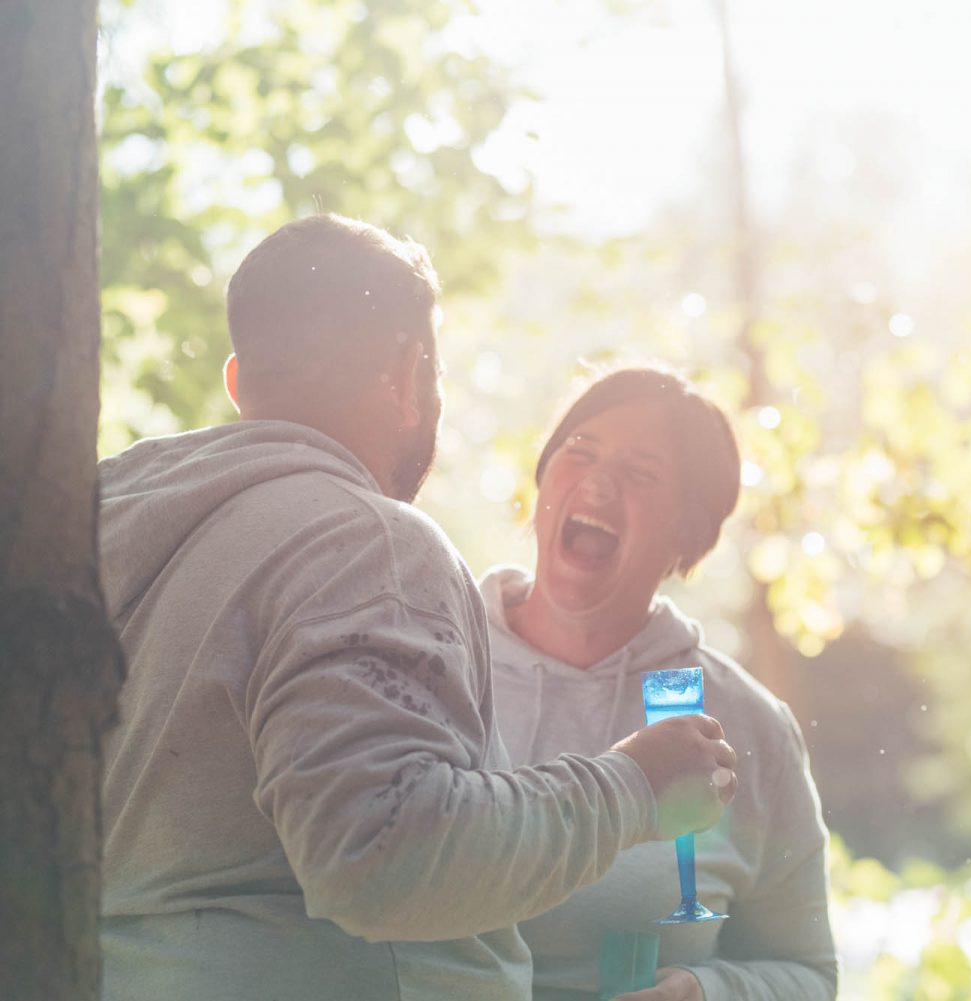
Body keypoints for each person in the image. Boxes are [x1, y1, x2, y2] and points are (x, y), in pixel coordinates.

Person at [97, 215, 737, 1001]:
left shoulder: (101, 523)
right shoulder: (368, 540)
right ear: (406, 374)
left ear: (240, 383)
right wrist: (634, 783)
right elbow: (383, 850)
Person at [479, 365, 837, 1001]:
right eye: (579, 451)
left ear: (690, 534)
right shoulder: (430, 664)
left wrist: (703, 994)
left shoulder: (749, 725)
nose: (597, 481)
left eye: (642, 473)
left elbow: (808, 975)